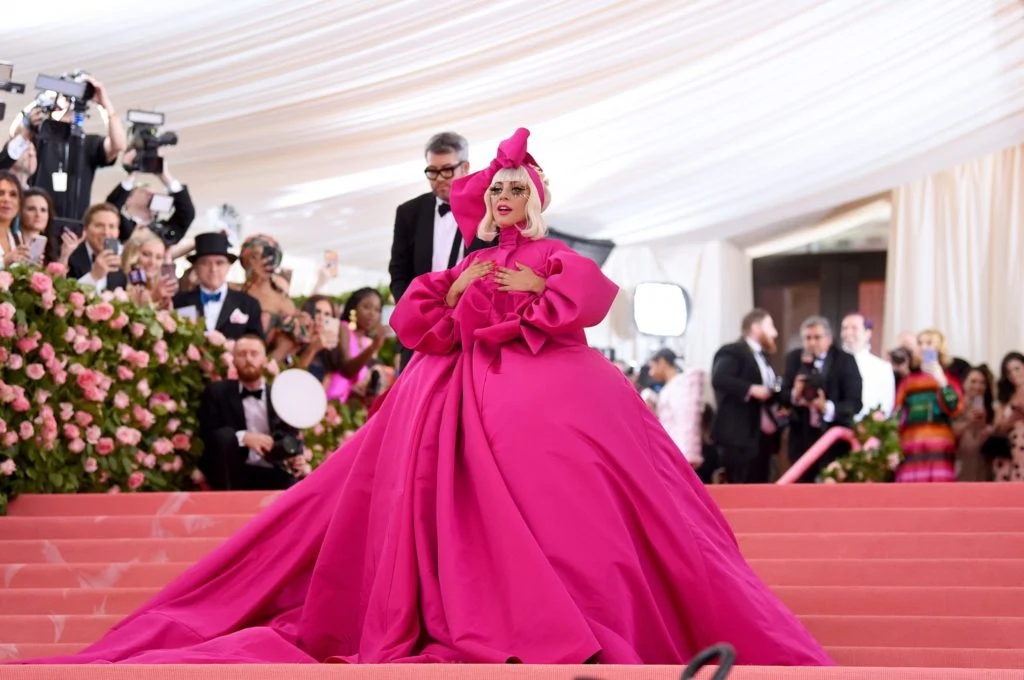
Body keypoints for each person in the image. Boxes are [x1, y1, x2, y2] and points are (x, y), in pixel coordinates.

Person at [14, 129, 831, 667]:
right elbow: (423, 320)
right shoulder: (465, 263)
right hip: (455, 392)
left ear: (534, 198)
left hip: (555, 389)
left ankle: (581, 608)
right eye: (495, 193)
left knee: (584, 490)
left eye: (514, 192)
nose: (503, 202)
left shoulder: (552, 257)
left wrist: (525, 289)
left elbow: (580, 301)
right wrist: (468, 291)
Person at [388, 132, 491, 369]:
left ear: (465, 167)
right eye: (432, 171)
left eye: (447, 170)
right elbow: (399, 273)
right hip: (420, 333)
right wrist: (416, 313)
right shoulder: (409, 213)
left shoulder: (490, 211)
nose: (439, 178)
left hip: (471, 335)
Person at [197, 334, 301, 490]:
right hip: (231, 472)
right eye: (242, 354)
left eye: (254, 353)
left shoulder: (279, 395)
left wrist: (294, 456)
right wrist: (243, 437)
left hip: (272, 470)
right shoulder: (217, 392)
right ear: (233, 361)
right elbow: (209, 434)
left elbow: (290, 435)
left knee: (296, 486)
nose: (248, 359)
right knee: (225, 435)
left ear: (265, 360)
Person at [780, 316, 862, 483]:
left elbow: (855, 403)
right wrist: (796, 394)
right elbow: (782, 395)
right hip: (801, 440)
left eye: (817, 337)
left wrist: (827, 407)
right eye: (807, 338)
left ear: (829, 339)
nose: (812, 343)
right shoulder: (794, 359)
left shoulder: (844, 360)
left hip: (834, 443)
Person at [709, 309, 782, 484]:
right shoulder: (733, 350)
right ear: (756, 328)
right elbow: (720, 378)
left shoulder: (764, 358)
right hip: (738, 437)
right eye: (770, 326)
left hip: (761, 439)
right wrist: (751, 389)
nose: (775, 333)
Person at [893, 329, 963, 482]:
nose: (923, 347)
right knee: (910, 493)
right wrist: (893, 446)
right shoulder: (908, 382)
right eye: (920, 343)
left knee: (938, 493)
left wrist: (942, 381)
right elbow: (898, 416)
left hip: (939, 449)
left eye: (929, 343)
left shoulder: (949, 380)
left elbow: (954, 408)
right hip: (911, 448)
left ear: (939, 349)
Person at [172, 232, 263, 340]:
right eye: (205, 263)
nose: (213, 269)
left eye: (219, 263)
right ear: (195, 267)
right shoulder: (178, 302)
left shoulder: (249, 304)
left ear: (228, 266)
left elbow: (256, 342)